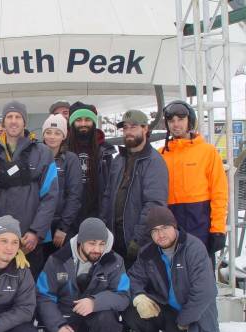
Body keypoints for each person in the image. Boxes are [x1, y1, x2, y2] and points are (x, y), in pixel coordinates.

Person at [123, 206, 219, 332]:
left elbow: (205, 291)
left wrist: (185, 319)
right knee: (130, 309)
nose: (160, 235)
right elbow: (132, 279)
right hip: (167, 310)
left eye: (165, 228)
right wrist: (139, 297)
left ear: (174, 226)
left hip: (191, 317)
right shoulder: (148, 252)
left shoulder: (193, 248)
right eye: (155, 231)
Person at [37, 218, 130, 332]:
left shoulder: (114, 261)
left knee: (106, 320)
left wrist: (95, 302)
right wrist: (57, 325)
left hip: (97, 315)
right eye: (92, 243)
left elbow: (123, 295)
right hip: (68, 316)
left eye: (102, 244)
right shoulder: (57, 260)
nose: (97, 249)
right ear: (80, 242)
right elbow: (44, 295)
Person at [0, 100, 58, 277]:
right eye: (9, 117)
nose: (13, 121)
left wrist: (36, 232)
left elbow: (50, 196)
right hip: (1, 242)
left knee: (31, 287)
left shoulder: (42, 153)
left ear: (24, 122)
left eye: (18, 117)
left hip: (31, 241)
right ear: (3, 122)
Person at [159, 100, 228, 262]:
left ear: (190, 121)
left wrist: (218, 229)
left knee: (200, 273)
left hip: (200, 222)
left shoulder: (207, 152)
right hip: (170, 223)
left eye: (180, 120)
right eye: (171, 121)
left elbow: (219, 193)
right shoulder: (161, 154)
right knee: (171, 273)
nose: (176, 125)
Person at [100, 110, 168, 268]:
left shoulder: (153, 162)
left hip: (136, 242)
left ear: (145, 129)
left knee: (137, 287)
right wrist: (104, 229)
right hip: (114, 239)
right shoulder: (119, 159)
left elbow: (154, 205)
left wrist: (138, 239)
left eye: (133, 127)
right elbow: (108, 196)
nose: (128, 132)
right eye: (125, 128)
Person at [66, 101, 115, 230]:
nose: (83, 124)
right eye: (79, 120)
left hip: (96, 215)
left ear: (93, 122)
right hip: (68, 218)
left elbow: (110, 187)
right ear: (72, 123)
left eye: (87, 119)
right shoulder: (63, 150)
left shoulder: (105, 151)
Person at [41, 113, 82, 258]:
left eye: (57, 133)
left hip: (60, 224)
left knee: (60, 268)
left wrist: (63, 227)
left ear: (63, 136)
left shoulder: (70, 159)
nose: (52, 137)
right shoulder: (35, 157)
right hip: (40, 224)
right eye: (48, 132)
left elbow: (75, 195)